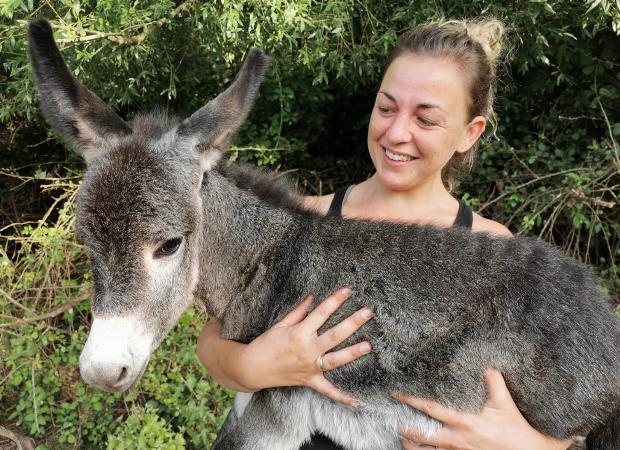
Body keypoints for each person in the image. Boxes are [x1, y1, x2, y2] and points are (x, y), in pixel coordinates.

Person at [197, 18, 575, 450]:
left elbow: (549, 401)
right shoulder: (306, 219)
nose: (396, 133)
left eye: (426, 119)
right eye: (387, 107)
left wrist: (528, 444)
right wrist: (250, 366)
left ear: (469, 134)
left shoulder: (492, 250)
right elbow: (213, 341)